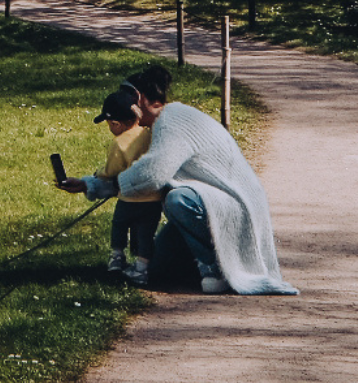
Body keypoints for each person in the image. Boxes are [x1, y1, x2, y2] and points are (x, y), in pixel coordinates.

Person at [60, 66, 296, 295]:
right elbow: (140, 170)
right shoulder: (161, 124)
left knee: (177, 199)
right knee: (158, 270)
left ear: (139, 99)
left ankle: (215, 269)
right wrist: (88, 184)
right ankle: (202, 261)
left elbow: (152, 174)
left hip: (233, 206)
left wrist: (108, 185)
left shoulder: (173, 120)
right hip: (210, 203)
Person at [91, 87, 162, 286]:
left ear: (116, 123)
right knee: (146, 234)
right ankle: (142, 268)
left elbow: (112, 170)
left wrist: (98, 174)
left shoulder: (119, 143)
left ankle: (117, 256)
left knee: (119, 226)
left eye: (109, 124)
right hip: (153, 199)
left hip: (129, 198)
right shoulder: (149, 134)